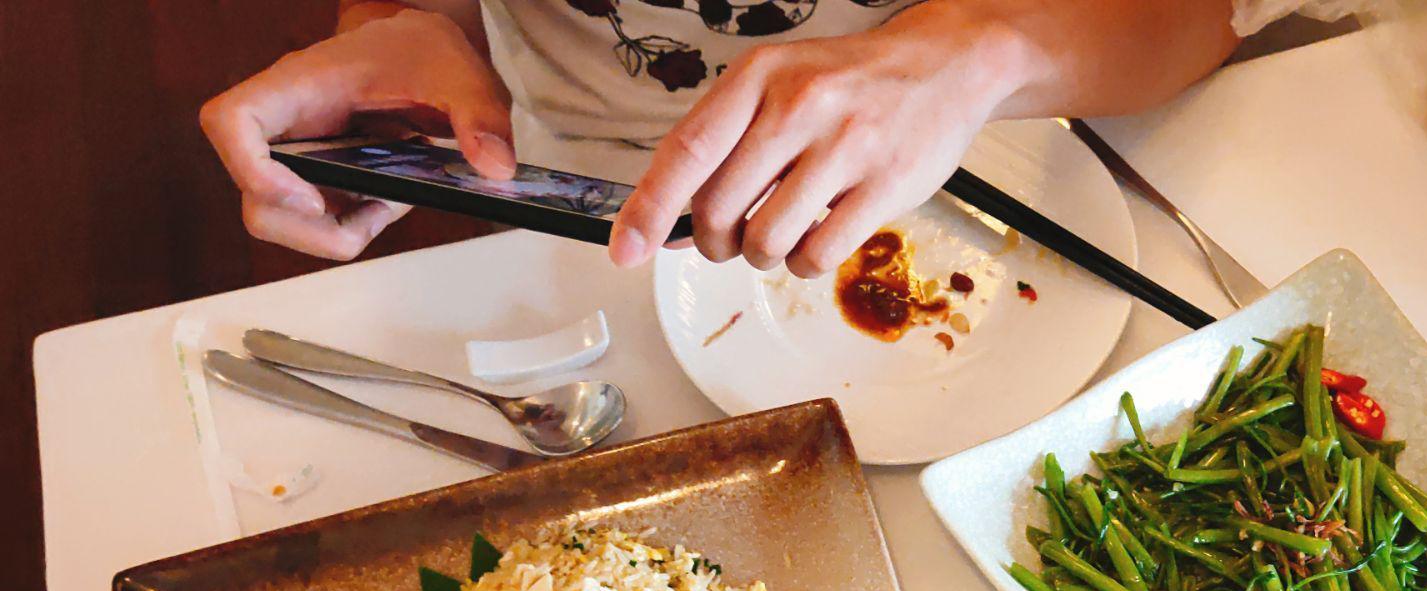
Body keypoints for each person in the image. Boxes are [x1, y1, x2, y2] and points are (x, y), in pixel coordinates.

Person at [201, 0, 1293, 279]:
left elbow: (1204, 15)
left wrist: (987, 47)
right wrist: (414, 33)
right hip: (564, 197)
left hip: (1012, 172)